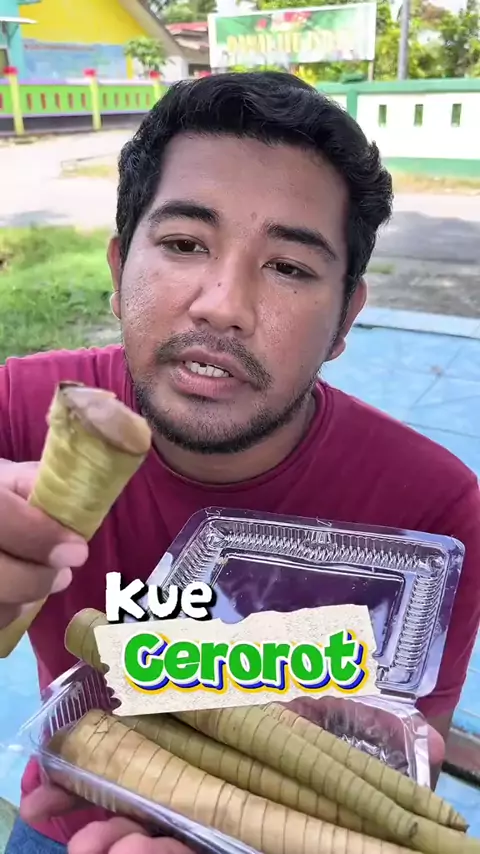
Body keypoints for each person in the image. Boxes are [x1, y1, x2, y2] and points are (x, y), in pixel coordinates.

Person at [1, 70, 479, 854]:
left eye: (289, 266)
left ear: (346, 320)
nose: (223, 304)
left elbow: (397, 758)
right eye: (184, 244)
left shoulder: (433, 505)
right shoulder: (26, 413)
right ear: (119, 273)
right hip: (66, 811)